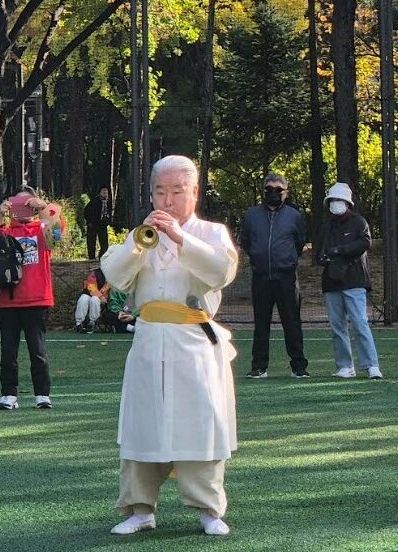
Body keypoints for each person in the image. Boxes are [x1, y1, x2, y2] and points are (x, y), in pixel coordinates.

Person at [100, 155, 238, 537]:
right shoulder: (140, 234)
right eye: (160, 192)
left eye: (177, 191)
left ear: (194, 193)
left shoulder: (212, 233)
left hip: (193, 342)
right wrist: (138, 245)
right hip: (148, 339)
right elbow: (115, 276)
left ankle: (209, 509)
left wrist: (181, 238)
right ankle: (140, 508)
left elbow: (221, 272)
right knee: (142, 422)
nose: (168, 200)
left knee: (200, 424)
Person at [0, 187, 65, 410]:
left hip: (37, 300)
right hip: (8, 301)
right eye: (19, 203)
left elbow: (58, 231)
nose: (24, 208)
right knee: (8, 352)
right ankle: (8, 394)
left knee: (38, 350)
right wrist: (2, 214)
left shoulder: (41, 229)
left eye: (28, 203)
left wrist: (44, 207)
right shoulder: (7, 230)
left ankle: (42, 394)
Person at [238, 173, 310, 379]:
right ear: (263, 191)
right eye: (269, 189)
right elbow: (246, 241)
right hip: (260, 276)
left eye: (278, 190)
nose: (273, 193)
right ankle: (259, 366)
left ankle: (299, 366)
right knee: (261, 323)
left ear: (286, 193)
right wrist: (258, 258)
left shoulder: (294, 216)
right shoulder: (251, 215)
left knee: (292, 322)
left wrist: (287, 260)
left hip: (286, 277)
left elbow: (299, 242)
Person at [317, 182, 382, 380]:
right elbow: (321, 251)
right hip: (331, 281)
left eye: (339, 200)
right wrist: (324, 257)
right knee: (337, 326)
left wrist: (340, 250)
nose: (335, 203)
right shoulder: (327, 226)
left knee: (360, 323)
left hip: (354, 280)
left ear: (347, 202)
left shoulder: (358, 222)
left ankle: (371, 365)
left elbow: (365, 242)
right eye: (332, 200)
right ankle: (345, 366)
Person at [75, 267, 109, 333]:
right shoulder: (95, 273)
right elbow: (91, 286)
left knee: (94, 300)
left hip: (102, 297)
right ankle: (79, 323)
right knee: (83, 300)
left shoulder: (113, 274)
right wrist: (100, 296)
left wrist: (103, 297)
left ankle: (92, 323)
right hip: (89, 293)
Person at [84, 186, 112, 260]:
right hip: (93, 224)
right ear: (100, 193)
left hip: (103, 224)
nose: (105, 193)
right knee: (91, 241)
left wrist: (108, 220)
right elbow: (86, 211)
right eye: (103, 191)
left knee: (104, 243)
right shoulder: (94, 201)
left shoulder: (108, 201)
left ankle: (101, 257)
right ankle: (91, 257)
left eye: (106, 192)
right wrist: (89, 221)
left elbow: (109, 212)